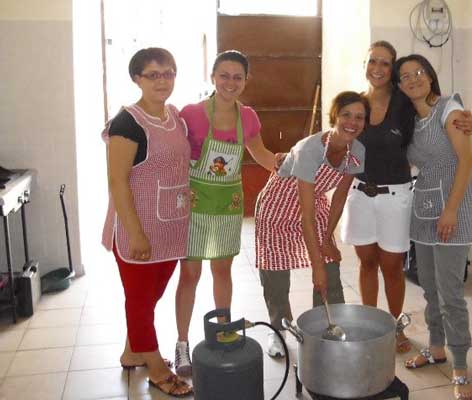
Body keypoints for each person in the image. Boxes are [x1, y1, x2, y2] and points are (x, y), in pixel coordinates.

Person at [339, 41, 472, 353]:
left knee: (391, 266)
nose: (377, 68)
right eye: (372, 60)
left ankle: (394, 326)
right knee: (366, 263)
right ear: (365, 63)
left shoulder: (404, 103)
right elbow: (340, 137)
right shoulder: (356, 104)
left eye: (385, 63)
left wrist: (468, 120)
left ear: (392, 72)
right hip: (361, 195)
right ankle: (371, 325)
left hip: (396, 197)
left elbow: (441, 112)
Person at [174, 50, 277, 375]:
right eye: (224, 75)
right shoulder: (190, 114)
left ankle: (223, 329)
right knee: (189, 275)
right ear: (212, 76)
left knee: (222, 271)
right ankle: (181, 345)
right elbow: (174, 156)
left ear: (246, 81)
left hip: (228, 206)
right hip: (194, 203)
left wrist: (291, 165)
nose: (230, 82)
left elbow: (260, 153)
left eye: (237, 77)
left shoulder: (247, 117)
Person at [101, 47, 193, 397]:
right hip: (136, 227)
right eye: (153, 74)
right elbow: (117, 181)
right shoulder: (127, 123)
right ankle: (156, 369)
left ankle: (132, 351)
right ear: (136, 78)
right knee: (139, 301)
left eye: (168, 72)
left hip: (170, 225)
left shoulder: (174, 116)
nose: (162, 80)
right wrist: (136, 233)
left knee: (149, 297)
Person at [396, 54, 472, 400]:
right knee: (430, 287)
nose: (413, 79)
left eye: (418, 72)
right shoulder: (408, 122)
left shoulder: (450, 108)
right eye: (405, 76)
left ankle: (460, 366)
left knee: (451, 292)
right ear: (400, 87)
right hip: (425, 208)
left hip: (453, 208)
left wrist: (450, 210)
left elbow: (465, 161)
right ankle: (436, 348)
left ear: (430, 76)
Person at [255, 91, 368, 357]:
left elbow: (339, 197)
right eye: (346, 115)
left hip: (313, 203)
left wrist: (327, 238)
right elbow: (303, 215)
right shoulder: (311, 149)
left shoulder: (358, 151)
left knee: (330, 267)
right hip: (277, 207)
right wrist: (314, 262)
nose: (352, 122)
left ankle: (330, 326)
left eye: (359, 117)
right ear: (334, 117)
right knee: (276, 272)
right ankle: (279, 330)